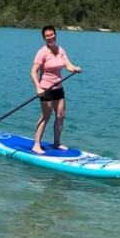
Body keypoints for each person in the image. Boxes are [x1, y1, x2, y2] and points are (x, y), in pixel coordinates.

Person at [30, 25, 82, 153]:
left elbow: (67, 65)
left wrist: (75, 68)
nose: (50, 38)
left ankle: (57, 143)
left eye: (52, 35)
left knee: (60, 115)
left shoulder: (61, 50)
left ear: (55, 35)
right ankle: (36, 144)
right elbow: (33, 71)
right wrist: (38, 87)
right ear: (44, 38)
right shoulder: (42, 52)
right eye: (47, 36)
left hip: (58, 88)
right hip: (45, 89)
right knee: (46, 116)